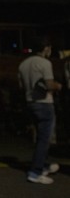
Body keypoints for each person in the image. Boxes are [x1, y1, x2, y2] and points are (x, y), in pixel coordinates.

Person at [18, 35, 62, 184]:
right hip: (44, 103)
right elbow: (49, 85)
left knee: (40, 137)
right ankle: (35, 172)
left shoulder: (23, 64)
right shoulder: (44, 63)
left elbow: (20, 86)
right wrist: (59, 86)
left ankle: (43, 165)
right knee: (45, 139)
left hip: (30, 102)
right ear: (46, 48)